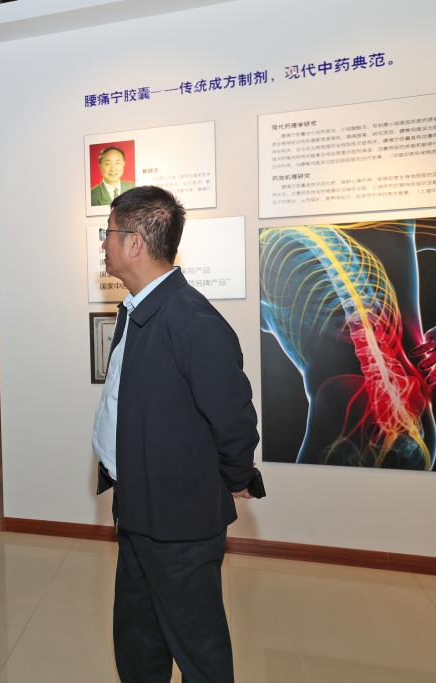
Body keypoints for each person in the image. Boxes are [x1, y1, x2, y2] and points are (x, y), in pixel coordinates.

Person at [92, 186, 258, 682]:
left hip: (179, 522)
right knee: (139, 638)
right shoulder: (140, 309)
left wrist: (236, 476)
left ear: (135, 243)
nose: (103, 244)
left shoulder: (191, 320)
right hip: (139, 508)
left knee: (197, 647)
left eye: (108, 233)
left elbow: (234, 419)